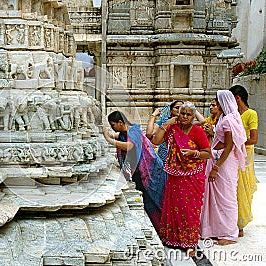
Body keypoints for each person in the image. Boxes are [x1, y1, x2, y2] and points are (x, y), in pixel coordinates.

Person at [151, 102, 211, 253]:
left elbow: (207, 153)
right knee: (174, 207)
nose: (184, 116)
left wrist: (194, 153)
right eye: (182, 113)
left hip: (193, 176)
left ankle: (189, 241)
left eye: (188, 114)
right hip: (175, 175)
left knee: (190, 208)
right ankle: (172, 239)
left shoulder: (197, 131)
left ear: (192, 117)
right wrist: (165, 124)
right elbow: (156, 141)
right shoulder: (172, 128)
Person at [104, 111, 167, 233]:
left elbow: (130, 145)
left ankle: (166, 230)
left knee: (158, 200)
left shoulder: (134, 131)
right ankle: (158, 230)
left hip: (151, 171)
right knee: (148, 202)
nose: (113, 127)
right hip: (140, 173)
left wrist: (109, 140)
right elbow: (119, 137)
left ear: (120, 122)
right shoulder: (125, 132)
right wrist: (109, 134)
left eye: (113, 125)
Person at [200, 90, 247, 245]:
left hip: (224, 162)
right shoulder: (222, 118)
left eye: (217, 101)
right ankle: (215, 229)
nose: (215, 104)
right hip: (217, 157)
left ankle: (229, 233)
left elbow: (229, 146)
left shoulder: (229, 120)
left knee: (227, 197)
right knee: (215, 197)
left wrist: (217, 167)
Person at [229, 85, 258, 237]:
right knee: (231, 189)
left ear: (237, 98)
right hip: (232, 155)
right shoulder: (233, 115)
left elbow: (253, 139)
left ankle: (240, 224)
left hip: (245, 157)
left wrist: (236, 141)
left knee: (242, 189)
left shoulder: (250, 114)